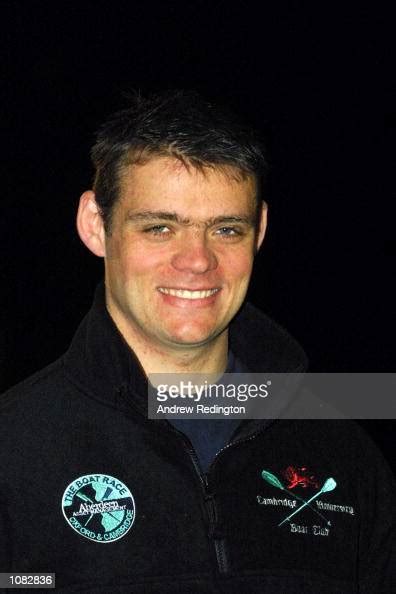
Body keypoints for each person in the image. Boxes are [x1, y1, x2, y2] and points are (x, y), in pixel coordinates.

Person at [0, 90, 394, 593]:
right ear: (96, 226)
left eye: (226, 229)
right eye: (161, 228)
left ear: (260, 231)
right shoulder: (16, 452)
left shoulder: (342, 453)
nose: (197, 261)